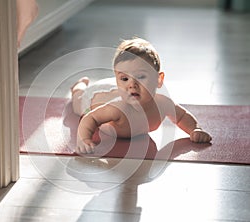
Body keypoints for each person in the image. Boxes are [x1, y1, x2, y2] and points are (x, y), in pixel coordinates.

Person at [71, 37, 212, 154]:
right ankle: (79, 86)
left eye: (140, 77)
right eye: (124, 79)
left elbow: (181, 116)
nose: (132, 84)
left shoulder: (163, 104)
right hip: (95, 98)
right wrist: (84, 140)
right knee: (77, 103)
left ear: (159, 79)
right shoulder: (118, 109)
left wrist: (195, 129)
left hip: (115, 89)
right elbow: (90, 118)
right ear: (117, 79)